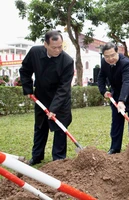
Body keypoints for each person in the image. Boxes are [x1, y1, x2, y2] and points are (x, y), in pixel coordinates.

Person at [19, 30, 74, 166]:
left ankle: (58, 159)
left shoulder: (67, 61)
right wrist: (27, 88)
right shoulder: (35, 53)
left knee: (60, 128)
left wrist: (54, 108)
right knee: (40, 127)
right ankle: (36, 156)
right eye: (54, 47)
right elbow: (25, 70)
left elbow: (63, 88)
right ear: (45, 44)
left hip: (60, 99)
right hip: (41, 96)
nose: (58, 50)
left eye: (60, 46)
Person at [97, 42, 129, 154]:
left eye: (112, 55)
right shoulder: (104, 62)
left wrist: (122, 101)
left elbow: (127, 82)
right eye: (107, 56)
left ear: (117, 52)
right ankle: (115, 148)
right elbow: (101, 77)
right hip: (116, 96)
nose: (110, 59)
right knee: (116, 123)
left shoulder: (126, 64)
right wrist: (103, 91)